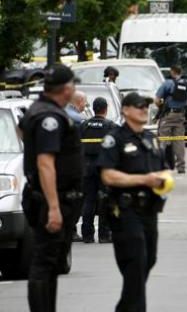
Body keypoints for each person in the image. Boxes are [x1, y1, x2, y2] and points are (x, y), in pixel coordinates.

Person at [97, 92, 171, 312]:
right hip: (125, 210)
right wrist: (144, 180)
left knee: (148, 261)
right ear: (126, 110)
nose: (144, 110)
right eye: (139, 106)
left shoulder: (152, 139)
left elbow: (164, 168)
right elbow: (108, 175)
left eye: (146, 107)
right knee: (136, 262)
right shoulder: (115, 138)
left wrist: (164, 180)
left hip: (150, 210)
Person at [20, 64, 83, 312]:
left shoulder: (40, 110)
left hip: (50, 197)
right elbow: (45, 163)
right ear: (66, 89)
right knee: (44, 264)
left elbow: (22, 130)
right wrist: (54, 207)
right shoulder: (49, 117)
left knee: (51, 264)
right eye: (73, 85)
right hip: (51, 199)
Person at [79, 97, 118, 243]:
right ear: (106, 109)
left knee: (88, 200)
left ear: (94, 109)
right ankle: (104, 235)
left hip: (87, 167)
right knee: (105, 200)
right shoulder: (110, 126)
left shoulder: (84, 125)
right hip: (104, 168)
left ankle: (87, 235)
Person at [155, 65, 187, 174]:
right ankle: (181, 166)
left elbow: (156, 100)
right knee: (179, 141)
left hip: (168, 115)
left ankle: (161, 165)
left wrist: (161, 107)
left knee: (163, 139)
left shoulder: (167, 83)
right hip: (180, 116)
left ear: (172, 72)